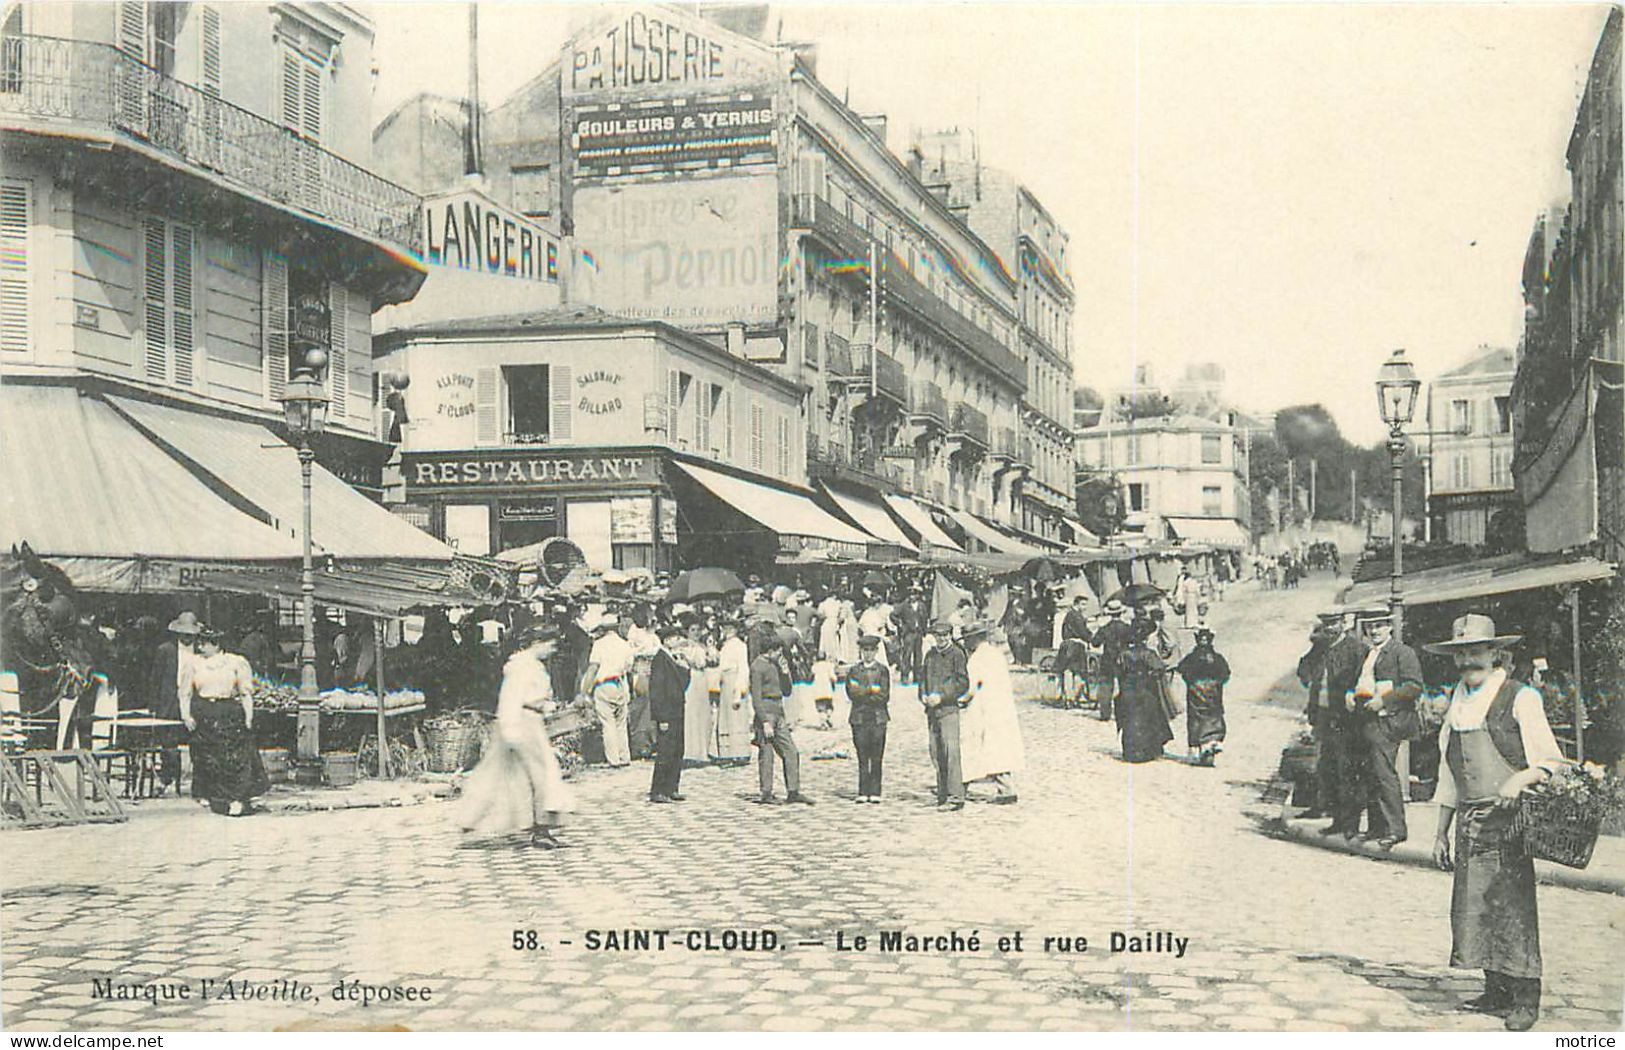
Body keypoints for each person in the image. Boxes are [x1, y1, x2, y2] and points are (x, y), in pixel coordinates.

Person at [1427, 615, 1564, 1032]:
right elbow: (1450, 770)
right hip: (1470, 820)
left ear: (1494, 653)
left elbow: (1551, 762)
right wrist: (1439, 832)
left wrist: (1520, 777)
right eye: (1462, 653)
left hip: (1509, 821)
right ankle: (1496, 989)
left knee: (1512, 906)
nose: (1469, 660)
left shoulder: (1519, 697)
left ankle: (1526, 996)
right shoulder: (1458, 701)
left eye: (1476, 651)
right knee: (1475, 905)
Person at [457, 623, 574, 847]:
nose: (552, 650)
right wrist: (511, 731)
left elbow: (532, 696)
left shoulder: (532, 665)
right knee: (536, 775)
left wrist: (546, 706)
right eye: (550, 645)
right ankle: (539, 829)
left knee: (519, 776)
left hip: (530, 721)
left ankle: (536, 827)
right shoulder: (521, 667)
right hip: (520, 723)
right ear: (537, 642)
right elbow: (510, 699)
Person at [1349, 611, 1424, 849]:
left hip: (1390, 721)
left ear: (1390, 627)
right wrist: (1350, 695)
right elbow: (1362, 681)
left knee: (1384, 774)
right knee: (1370, 774)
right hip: (1368, 719)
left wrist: (1385, 701)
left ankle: (1396, 830)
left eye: (1380, 626)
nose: (1374, 631)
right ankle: (1376, 827)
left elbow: (1414, 686)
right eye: (1371, 627)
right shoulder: (1368, 653)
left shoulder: (1402, 652)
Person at [180, 626, 267, 817]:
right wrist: (186, 715)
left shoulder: (235, 662)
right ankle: (210, 795)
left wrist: (249, 716)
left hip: (228, 711)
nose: (200, 646)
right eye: (199, 642)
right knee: (206, 755)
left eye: (204, 643)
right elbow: (185, 692)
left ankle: (237, 797)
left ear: (216, 644)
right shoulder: (194, 664)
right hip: (204, 711)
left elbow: (245, 692)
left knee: (234, 757)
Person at [960, 622, 1024, 803]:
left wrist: (960, 700)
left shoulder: (977, 659)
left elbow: (971, 687)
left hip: (983, 708)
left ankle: (960, 787)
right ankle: (1006, 787)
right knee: (998, 748)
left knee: (974, 745)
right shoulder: (996, 655)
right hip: (1001, 708)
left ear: (973, 640)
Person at [750, 636, 812, 805]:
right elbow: (755, 698)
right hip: (766, 712)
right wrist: (764, 721)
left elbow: (787, 691)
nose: (780, 654)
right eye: (778, 651)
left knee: (791, 751)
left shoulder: (776, 665)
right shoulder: (757, 667)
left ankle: (793, 791)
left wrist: (785, 673)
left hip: (779, 711)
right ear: (770, 650)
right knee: (767, 754)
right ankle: (766, 793)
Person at [148, 611, 202, 796]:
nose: (187, 637)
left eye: (190, 634)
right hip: (169, 701)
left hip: (193, 701)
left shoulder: (201, 651)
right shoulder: (166, 650)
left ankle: (197, 782)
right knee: (168, 743)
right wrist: (154, 706)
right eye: (184, 634)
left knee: (196, 740)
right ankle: (167, 779)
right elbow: (155, 678)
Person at [919, 621, 969, 811]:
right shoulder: (930, 655)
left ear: (950, 635)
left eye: (945, 635)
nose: (942, 639)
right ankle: (942, 794)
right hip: (931, 710)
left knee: (951, 752)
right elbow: (922, 678)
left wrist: (941, 695)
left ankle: (956, 796)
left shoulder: (957, 654)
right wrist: (923, 695)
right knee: (936, 752)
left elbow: (962, 682)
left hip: (948, 709)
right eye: (938, 636)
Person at [1115, 619, 1174, 763]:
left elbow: (1119, 671)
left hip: (1128, 691)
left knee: (1129, 718)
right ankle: (1148, 750)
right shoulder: (1148, 654)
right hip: (1144, 690)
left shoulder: (1124, 654)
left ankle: (1130, 751)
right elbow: (1159, 669)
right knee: (1150, 717)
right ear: (1145, 638)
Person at [581, 613, 633, 768]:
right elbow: (629, 667)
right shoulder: (625, 645)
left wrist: (584, 690)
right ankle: (625, 756)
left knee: (608, 723)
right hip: (620, 683)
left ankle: (614, 759)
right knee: (621, 723)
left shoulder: (599, 644)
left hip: (604, 684)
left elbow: (593, 668)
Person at [845, 635, 890, 803]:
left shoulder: (882, 670)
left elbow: (884, 696)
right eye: (865, 651)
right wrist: (871, 690)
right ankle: (863, 791)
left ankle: (875, 791)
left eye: (871, 650)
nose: (868, 654)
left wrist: (862, 692)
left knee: (877, 755)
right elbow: (851, 693)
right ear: (861, 651)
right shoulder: (854, 670)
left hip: (878, 717)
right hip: (859, 717)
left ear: (876, 651)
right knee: (862, 754)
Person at [648, 623, 689, 803]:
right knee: (665, 752)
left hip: (678, 710)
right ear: (667, 640)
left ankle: (672, 787)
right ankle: (658, 790)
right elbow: (656, 691)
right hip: (667, 713)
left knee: (677, 750)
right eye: (675, 638)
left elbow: (684, 684)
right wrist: (661, 717)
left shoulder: (674, 658)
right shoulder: (660, 659)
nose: (678, 641)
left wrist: (684, 667)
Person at [1176, 627, 1230, 766]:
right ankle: (1213, 740)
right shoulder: (1217, 658)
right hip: (1213, 692)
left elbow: (1182, 669)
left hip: (1195, 691)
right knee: (1214, 715)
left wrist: (1191, 682)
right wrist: (1216, 684)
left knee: (1196, 718)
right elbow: (1225, 673)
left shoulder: (1192, 657)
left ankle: (1198, 746)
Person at [713, 618, 753, 764]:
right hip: (725, 682)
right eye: (724, 628)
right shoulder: (724, 646)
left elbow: (743, 668)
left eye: (730, 628)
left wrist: (739, 690)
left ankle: (739, 752)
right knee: (726, 717)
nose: (727, 631)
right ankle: (727, 752)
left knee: (736, 717)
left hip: (734, 681)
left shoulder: (739, 646)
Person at [624, 605, 660, 759]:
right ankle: (640, 744)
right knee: (642, 708)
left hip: (651, 670)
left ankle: (652, 741)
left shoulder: (649, 633)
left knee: (651, 707)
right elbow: (637, 651)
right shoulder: (635, 632)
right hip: (640, 670)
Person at [1091, 599, 1135, 722]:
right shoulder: (1127, 628)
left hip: (1108, 659)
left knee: (1105, 686)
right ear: (1121, 613)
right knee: (1125, 685)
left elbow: (1095, 643)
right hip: (1123, 659)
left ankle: (1105, 714)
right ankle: (1125, 713)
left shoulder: (1104, 628)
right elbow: (1133, 640)